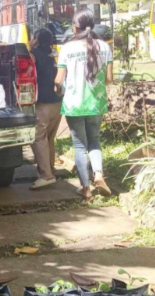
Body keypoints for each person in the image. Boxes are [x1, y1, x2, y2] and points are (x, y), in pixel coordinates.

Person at [54, 9, 113, 202]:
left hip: (74, 104)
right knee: (94, 141)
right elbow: (110, 79)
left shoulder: (67, 48)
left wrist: (57, 89)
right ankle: (98, 174)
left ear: (75, 26)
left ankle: (86, 189)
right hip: (97, 103)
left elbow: (59, 80)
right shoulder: (105, 47)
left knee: (80, 146)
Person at [29, 28, 62, 190]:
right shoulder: (54, 54)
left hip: (43, 103)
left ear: (36, 39)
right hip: (58, 102)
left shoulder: (34, 53)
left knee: (39, 138)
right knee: (49, 138)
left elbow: (28, 70)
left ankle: (46, 175)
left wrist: (30, 47)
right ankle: (51, 170)